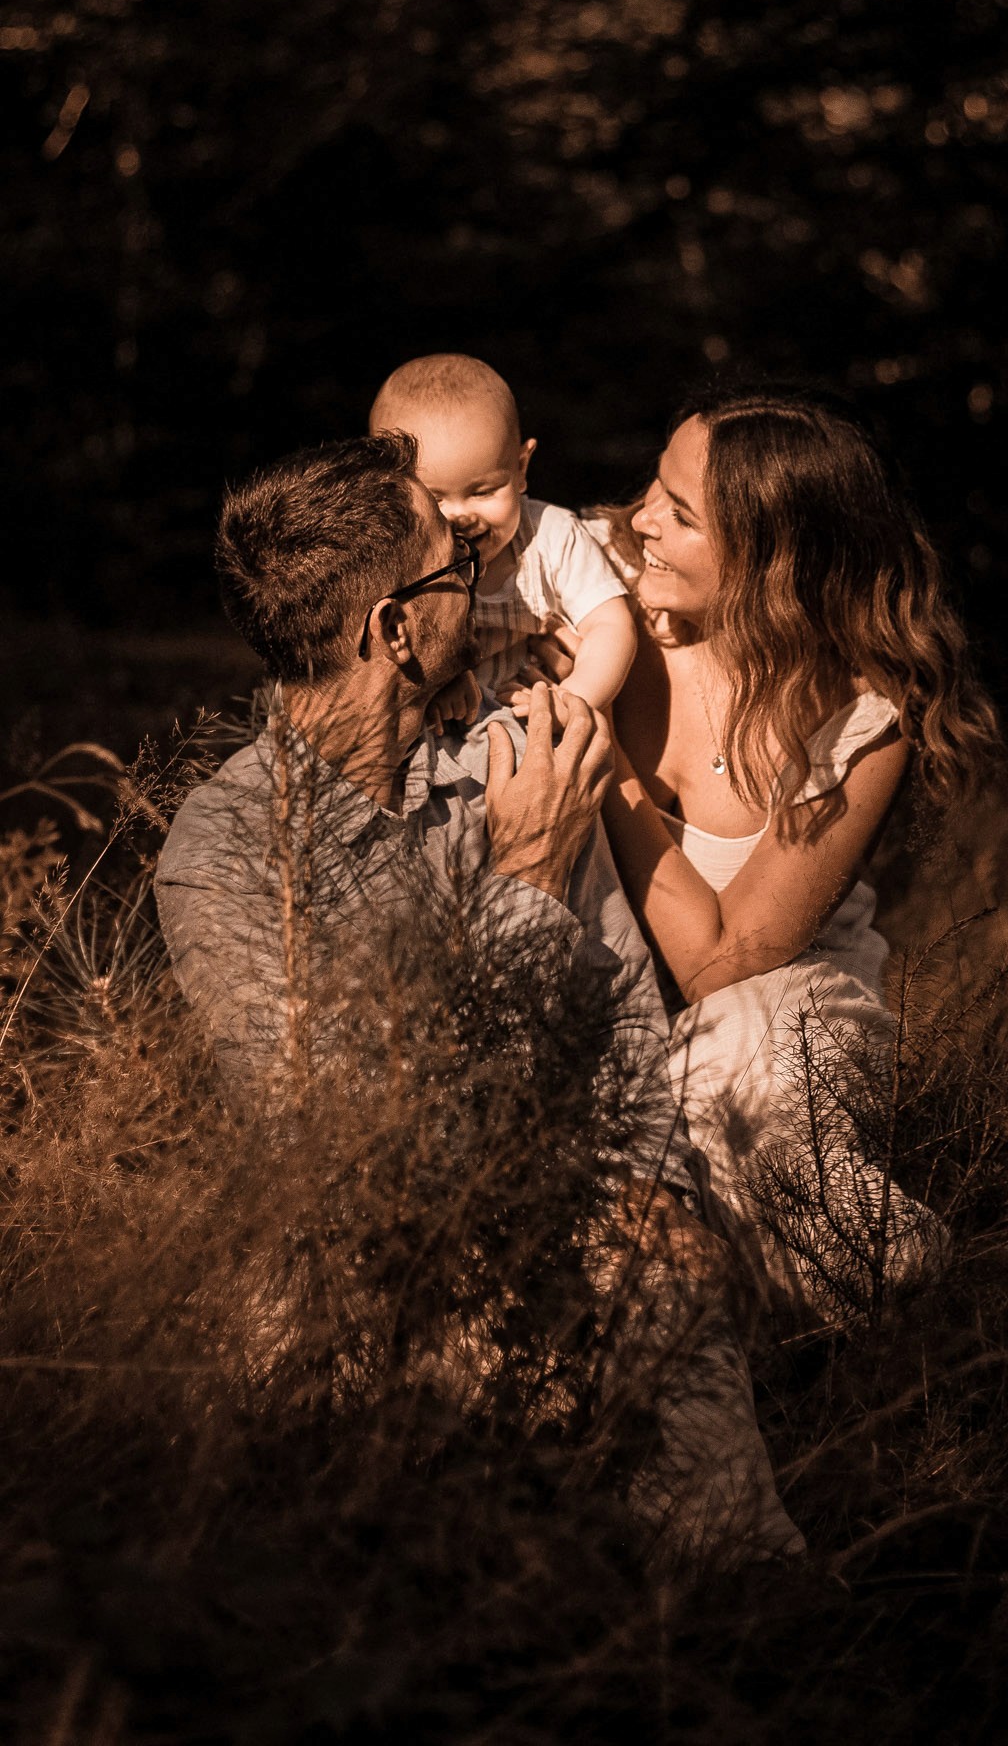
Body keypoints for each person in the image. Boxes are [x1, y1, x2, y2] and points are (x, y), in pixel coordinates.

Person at [153, 432, 804, 1568]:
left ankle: (736, 1597)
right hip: (363, 1287)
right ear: (394, 629)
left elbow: (621, 1071)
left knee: (668, 1307)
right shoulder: (227, 855)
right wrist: (528, 880)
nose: (485, 569)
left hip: (569, 1217)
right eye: (454, 557)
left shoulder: (520, 759)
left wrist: (648, 1218)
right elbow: (349, 1159)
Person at [539, 392, 998, 1319]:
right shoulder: (589, 578)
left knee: (727, 1093)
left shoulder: (863, 715)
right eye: (653, 490)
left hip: (785, 1007)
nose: (640, 522)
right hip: (606, 992)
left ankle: (906, 1292)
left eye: (681, 514)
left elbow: (726, 963)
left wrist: (607, 758)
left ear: (772, 561)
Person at [368, 354, 637, 714]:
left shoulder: (551, 538)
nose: (459, 516)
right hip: (432, 734)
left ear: (521, 468)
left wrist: (573, 699)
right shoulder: (391, 554)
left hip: (530, 717)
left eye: (483, 492)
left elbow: (610, 625)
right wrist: (432, 678)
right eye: (434, 499)